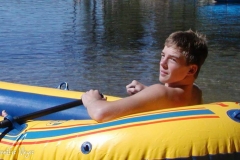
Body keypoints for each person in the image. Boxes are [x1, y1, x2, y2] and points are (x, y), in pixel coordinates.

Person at [81, 30, 208, 122]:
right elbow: (170, 99)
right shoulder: (196, 92)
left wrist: (92, 100)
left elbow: (101, 113)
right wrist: (147, 92)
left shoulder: (160, 92)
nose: (162, 63)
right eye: (163, 55)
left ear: (191, 70)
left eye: (173, 59)